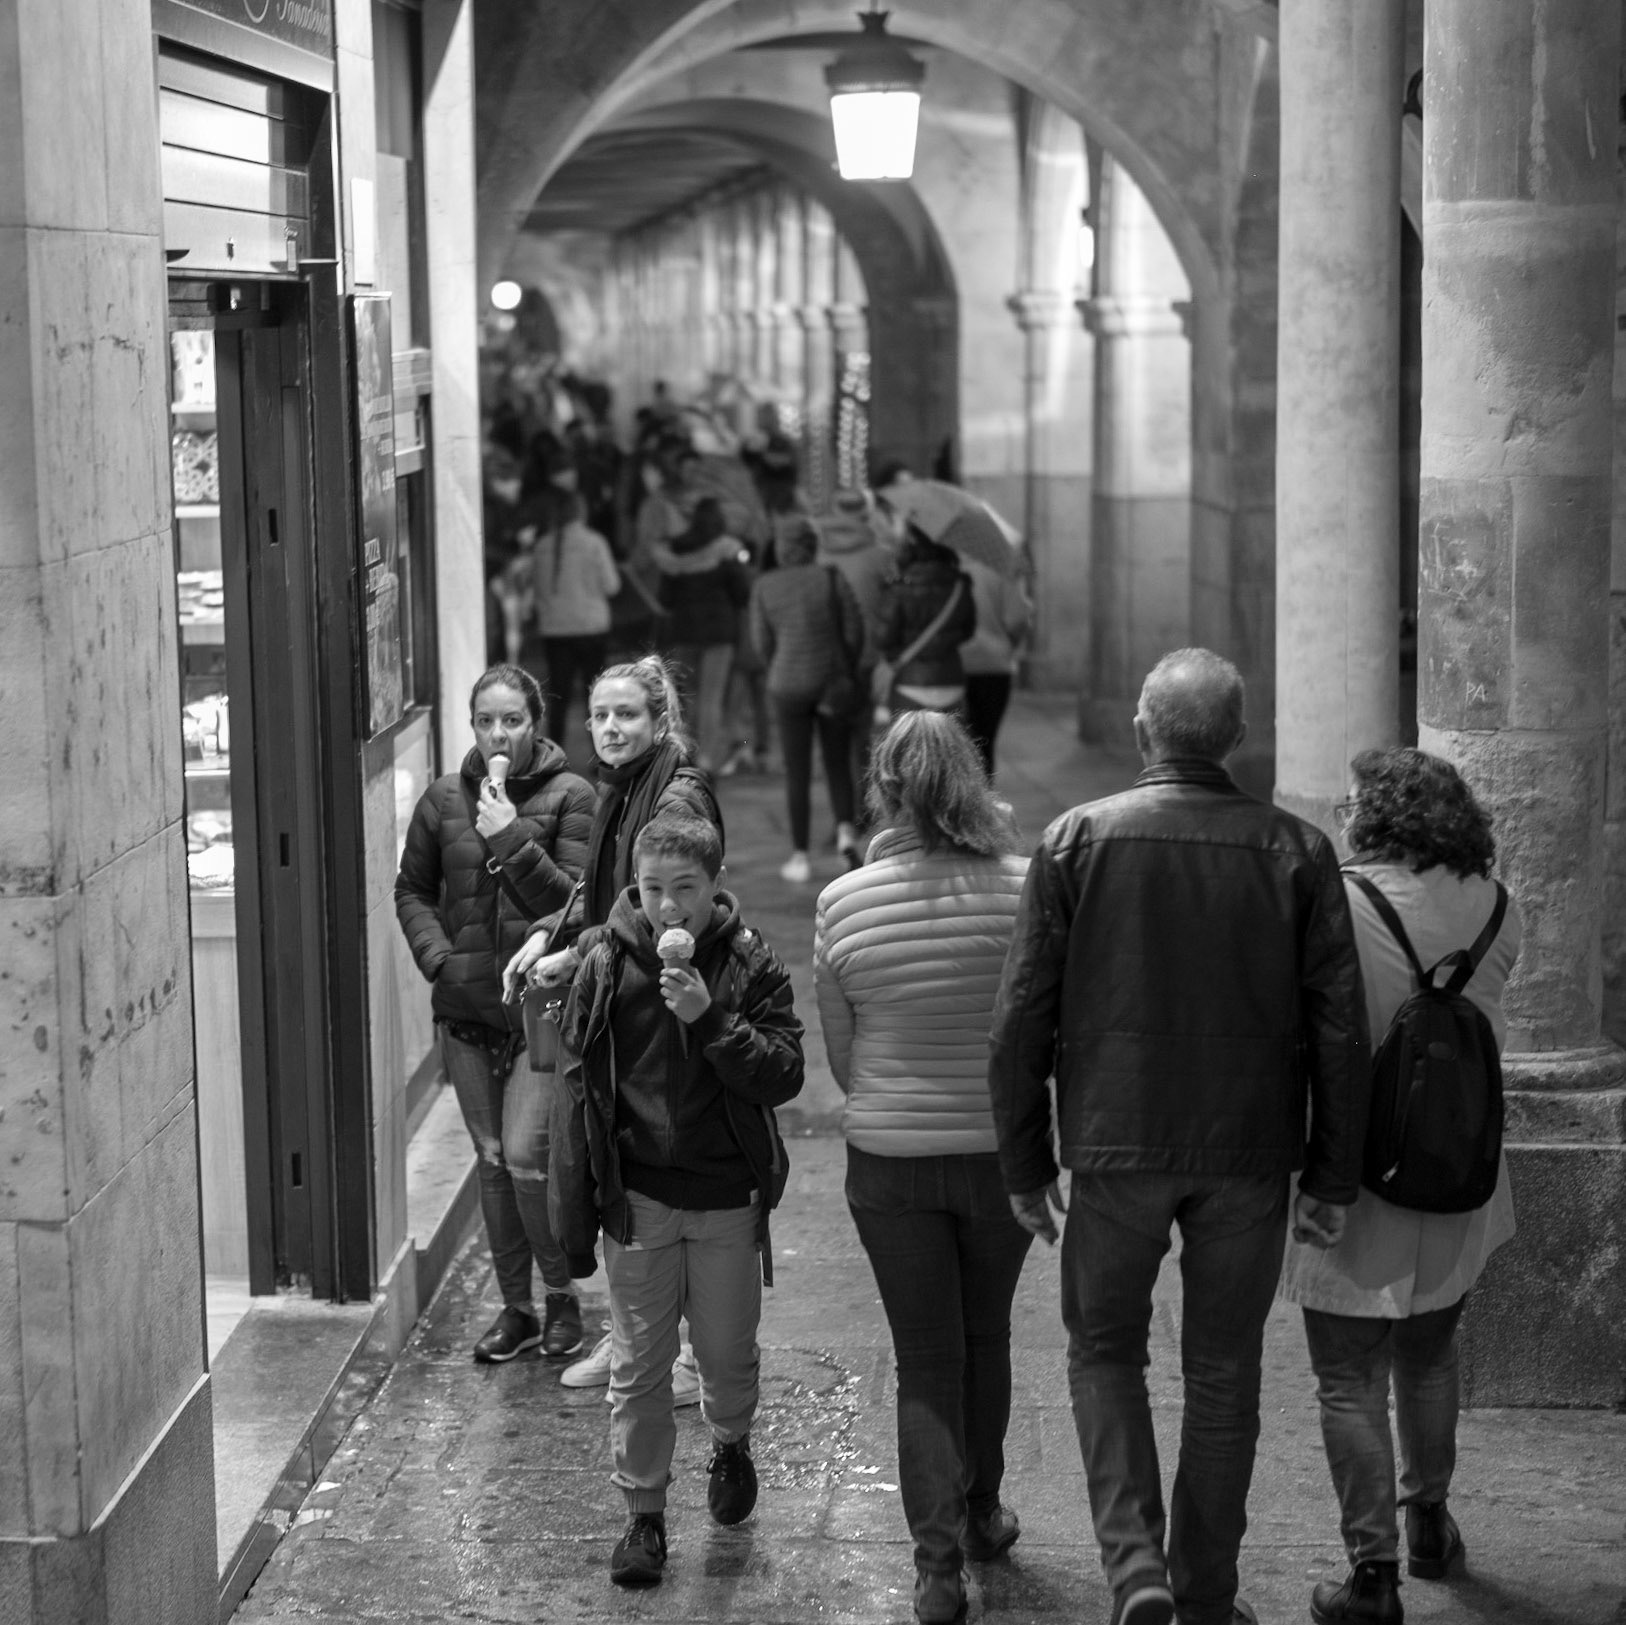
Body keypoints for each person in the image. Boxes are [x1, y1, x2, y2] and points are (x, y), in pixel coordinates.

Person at [988, 648, 1371, 1625]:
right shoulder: (1297, 849)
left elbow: (1020, 1017)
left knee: (1103, 1351)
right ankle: (1205, 1592)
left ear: (1141, 730)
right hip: (1248, 1146)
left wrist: (1025, 1161)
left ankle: (1136, 1571)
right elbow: (1340, 1028)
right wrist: (1333, 1175)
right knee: (1224, 1372)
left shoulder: (1077, 838)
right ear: (1236, 737)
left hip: (1115, 1142)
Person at [1280, 747, 1521, 1625]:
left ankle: (1373, 1576)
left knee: (1347, 1376)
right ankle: (1429, 1524)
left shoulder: (1336, 899)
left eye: (1351, 804)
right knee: (1429, 1352)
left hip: (1357, 1164)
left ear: (1375, 814)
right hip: (1460, 1162)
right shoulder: (1499, 904)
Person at [814, 711, 1033, 1625]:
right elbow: (1042, 1030)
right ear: (971, 782)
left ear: (887, 791)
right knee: (987, 1335)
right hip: (996, 1156)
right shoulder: (1024, 889)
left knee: (926, 1359)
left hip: (891, 1162)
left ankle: (938, 1573)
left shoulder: (844, 901)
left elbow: (842, 1057)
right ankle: (981, 1511)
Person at [549, 811, 805, 1586]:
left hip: (726, 1196)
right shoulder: (605, 962)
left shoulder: (749, 961)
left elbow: (784, 1071)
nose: (668, 907)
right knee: (639, 1366)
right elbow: (579, 1086)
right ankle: (644, 1514)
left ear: (716, 885)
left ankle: (730, 1440)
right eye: (653, 887)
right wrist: (574, 1208)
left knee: (724, 1353)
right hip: (639, 1201)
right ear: (634, 883)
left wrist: (712, 1019)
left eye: (685, 889)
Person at [501, 653, 722, 1399]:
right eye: (599, 715)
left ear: (660, 720)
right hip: (625, 1004)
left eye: (626, 714)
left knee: (665, 1182)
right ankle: (632, 1336)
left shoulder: (676, 798)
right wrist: (551, 931)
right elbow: (603, 900)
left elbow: (659, 910)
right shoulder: (622, 787)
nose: (610, 727)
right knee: (617, 1176)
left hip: (665, 1011)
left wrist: (575, 954)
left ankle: (685, 1356)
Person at [395, 665, 597, 1363]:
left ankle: (561, 1294)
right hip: (468, 1013)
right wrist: (440, 959)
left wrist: (511, 836)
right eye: (486, 721)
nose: (499, 735)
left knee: (527, 1157)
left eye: (513, 720)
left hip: (541, 1011)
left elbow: (575, 905)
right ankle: (517, 1308)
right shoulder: (442, 799)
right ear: (473, 725)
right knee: (490, 1160)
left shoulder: (572, 796)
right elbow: (412, 889)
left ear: (535, 723)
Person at [749, 518, 866, 881]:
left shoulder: (765, 585)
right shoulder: (831, 578)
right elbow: (854, 629)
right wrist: (844, 668)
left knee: (796, 771)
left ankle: (799, 856)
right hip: (831, 683)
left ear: (781, 549)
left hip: (787, 686)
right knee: (837, 761)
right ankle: (846, 835)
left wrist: (780, 666)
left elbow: (761, 642)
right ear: (813, 545)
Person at [657, 496, 752, 773]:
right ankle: (707, 757)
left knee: (685, 695)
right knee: (712, 696)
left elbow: (665, 598)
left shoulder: (675, 551)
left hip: (684, 631)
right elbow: (742, 593)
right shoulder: (728, 550)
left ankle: (683, 752)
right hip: (720, 633)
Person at [525, 488, 620, 743]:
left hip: (555, 630)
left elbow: (536, 589)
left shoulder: (542, 546)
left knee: (559, 696)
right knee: (596, 696)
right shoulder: (594, 543)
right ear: (582, 512)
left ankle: (555, 751)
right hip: (591, 628)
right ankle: (601, 751)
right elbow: (612, 585)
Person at [877, 529, 977, 718]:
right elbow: (968, 631)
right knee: (950, 737)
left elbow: (883, 638)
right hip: (951, 679)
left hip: (909, 681)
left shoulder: (898, 589)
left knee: (908, 737)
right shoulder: (960, 586)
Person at [960, 558, 1033, 776]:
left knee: (955, 743)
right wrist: (1009, 644)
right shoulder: (1000, 569)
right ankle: (982, 793)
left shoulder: (950, 565)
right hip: (994, 665)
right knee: (984, 742)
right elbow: (1017, 619)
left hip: (954, 665)